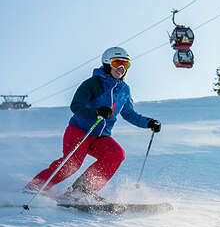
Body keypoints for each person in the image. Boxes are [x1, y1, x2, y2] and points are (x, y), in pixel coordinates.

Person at [25, 46, 162, 202]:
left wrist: (149, 123)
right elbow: (76, 106)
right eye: (117, 63)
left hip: (100, 136)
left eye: (126, 65)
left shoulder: (124, 89)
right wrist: (97, 112)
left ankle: (83, 190)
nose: (122, 68)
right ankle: (35, 186)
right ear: (107, 63)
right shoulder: (93, 83)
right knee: (72, 164)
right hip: (80, 131)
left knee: (116, 154)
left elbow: (129, 114)